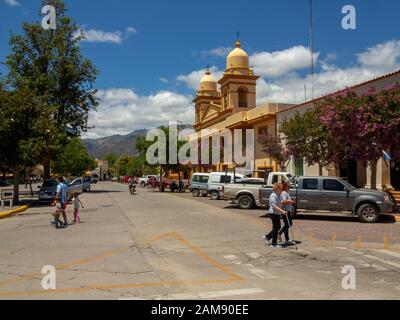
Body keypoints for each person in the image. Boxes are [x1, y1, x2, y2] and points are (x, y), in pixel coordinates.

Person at [263, 183, 288, 248]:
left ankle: (268, 237)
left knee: (277, 227)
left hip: (276, 213)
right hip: (273, 213)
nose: (281, 190)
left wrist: (283, 207)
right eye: (280, 188)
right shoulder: (273, 195)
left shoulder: (278, 195)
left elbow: (279, 204)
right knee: (276, 227)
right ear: (277, 189)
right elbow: (274, 206)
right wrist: (282, 211)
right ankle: (274, 244)